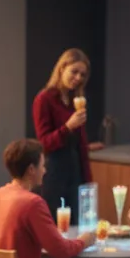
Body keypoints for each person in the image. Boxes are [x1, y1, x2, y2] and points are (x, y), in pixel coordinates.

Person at [32, 48, 98, 220]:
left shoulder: (75, 99)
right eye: (74, 72)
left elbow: (80, 144)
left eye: (82, 75)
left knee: (79, 225)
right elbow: (44, 143)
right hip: (54, 171)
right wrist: (68, 126)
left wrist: (88, 180)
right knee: (55, 225)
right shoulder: (44, 99)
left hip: (75, 171)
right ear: (62, 68)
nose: (78, 78)